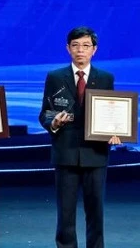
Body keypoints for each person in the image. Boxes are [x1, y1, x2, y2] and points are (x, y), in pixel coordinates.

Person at [38, 26, 119, 248]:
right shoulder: (55, 77)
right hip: (66, 152)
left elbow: (113, 112)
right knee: (65, 214)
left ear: (94, 49)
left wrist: (115, 131)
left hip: (96, 153)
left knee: (96, 212)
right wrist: (54, 122)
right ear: (68, 48)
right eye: (75, 45)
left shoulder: (105, 78)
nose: (80, 50)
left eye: (85, 45)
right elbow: (45, 113)